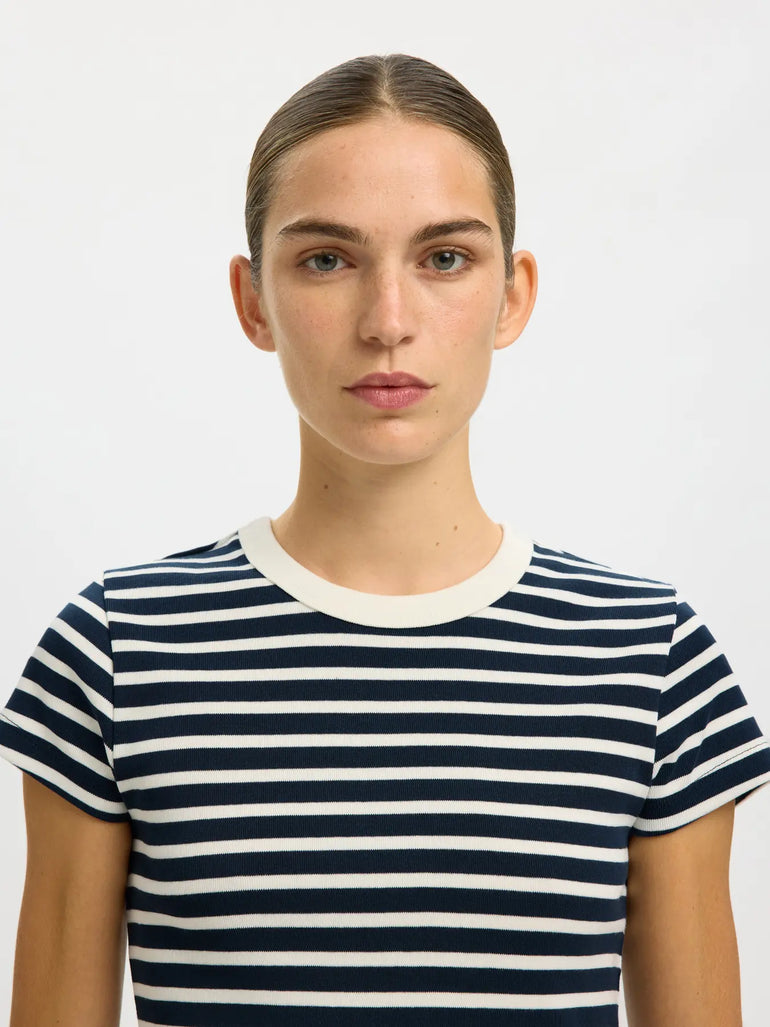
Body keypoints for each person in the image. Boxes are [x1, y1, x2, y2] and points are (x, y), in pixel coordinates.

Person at [1, 52, 769, 1027]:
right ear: (252, 300)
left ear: (512, 295)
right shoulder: (117, 650)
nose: (388, 322)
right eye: (327, 259)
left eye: (443, 258)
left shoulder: (649, 660)